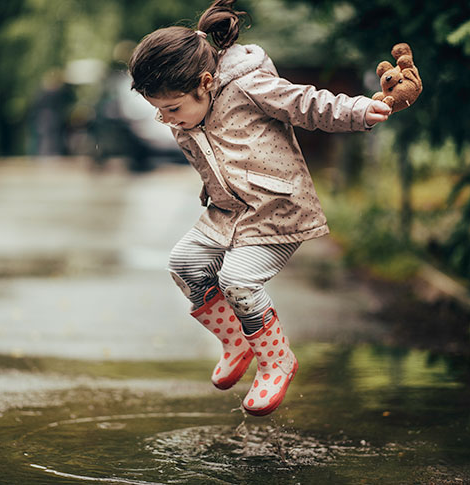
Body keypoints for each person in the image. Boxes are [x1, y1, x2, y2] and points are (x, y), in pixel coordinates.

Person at [128, 0, 391, 416]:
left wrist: (360, 110)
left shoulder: (251, 85)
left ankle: (276, 361)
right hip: (229, 212)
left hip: (278, 208)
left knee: (238, 280)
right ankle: (237, 341)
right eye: (159, 112)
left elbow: (307, 103)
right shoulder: (185, 117)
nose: (168, 120)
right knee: (185, 263)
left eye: (173, 108)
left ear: (207, 82)